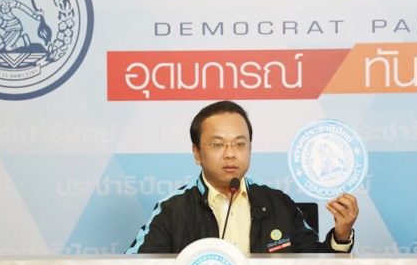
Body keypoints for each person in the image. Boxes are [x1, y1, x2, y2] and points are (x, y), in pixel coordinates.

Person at [126, 100, 359, 254]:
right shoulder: (173, 210)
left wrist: (342, 234)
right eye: (217, 144)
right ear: (197, 153)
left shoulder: (278, 203)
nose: (230, 154)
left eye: (240, 144)